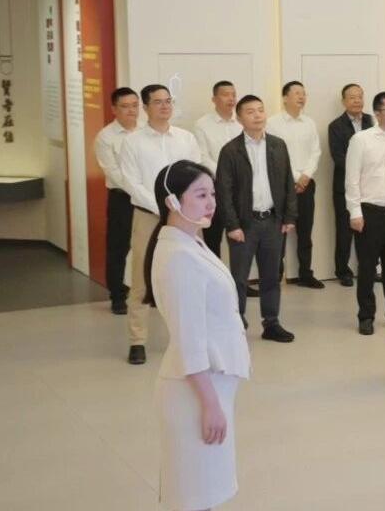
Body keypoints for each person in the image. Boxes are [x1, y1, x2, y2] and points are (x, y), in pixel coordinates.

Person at [144, 159, 250, 511]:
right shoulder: (178, 256)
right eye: (201, 195)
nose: (211, 203)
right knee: (194, 495)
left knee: (204, 491)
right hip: (195, 394)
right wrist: (210, 405)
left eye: (213, 194)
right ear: (172, 201)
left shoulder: (191, 244)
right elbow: (188, 340)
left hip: (210, 387)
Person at [119, 84, 202, 365]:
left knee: (186, 277)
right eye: (158, 102)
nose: (165, 106)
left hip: (185, 219)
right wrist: (163, 208)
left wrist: (183, 210)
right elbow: (131, 182)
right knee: (141, 280)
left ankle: (185, 337)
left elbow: (196, 177)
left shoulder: (186, 139)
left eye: (168, 101)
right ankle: (137, 340)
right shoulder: (133, 142)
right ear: (145, 108)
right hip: (149, 216)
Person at [216, 95, 298, 343]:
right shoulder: (231, 150)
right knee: (239, 278)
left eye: (261, 110)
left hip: (273, 221)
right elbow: (224, 191)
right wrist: (232, 225)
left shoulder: (278, 145)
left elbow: (288, 183)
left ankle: (271, 323)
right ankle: (237, 323)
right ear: (239, 118)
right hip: (244, 225)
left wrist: (289, 216)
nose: (257, 115)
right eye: (250, 111)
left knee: (271, 276)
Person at [345, 91, 385, 335]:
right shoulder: (361, 140)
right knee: (367, 268)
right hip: (369, 212)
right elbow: (351, 179)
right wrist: (355, 212)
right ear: (378, 113)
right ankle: (366, 316)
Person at [268, 81, 323, 289]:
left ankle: (306, 274)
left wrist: (306, 175)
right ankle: (275, 275)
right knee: (280, 231)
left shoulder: (309, 122)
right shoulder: (272, 123)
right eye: (297, 93)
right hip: (282, 185)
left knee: (305, 231)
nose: (302, 97)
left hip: (306, 184)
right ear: (285, 97)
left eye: (304, 93)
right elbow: (275, 155)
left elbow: (316, 151)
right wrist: (295, 177)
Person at [94, 86, 139, 315]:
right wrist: (138, 188)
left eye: (135, 105)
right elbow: (113, 173)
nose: (131, 111)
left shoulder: (146, 131)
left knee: (149, 245)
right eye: (125, 106)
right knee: (118, 247)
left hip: (147, 198)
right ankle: (117, 296)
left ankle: (148, 292)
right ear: (114, 109)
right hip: (122, 197)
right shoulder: (106, 137)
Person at [327, 84, 372, 288]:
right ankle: (343, 271)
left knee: (370, 231)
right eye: (352, 97)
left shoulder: (372, 121)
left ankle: (368, 269)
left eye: (360, 96)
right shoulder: (335, 126)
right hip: (344, 186)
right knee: (344, 231)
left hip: (370, 186)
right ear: (344, 101)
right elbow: (338, 157)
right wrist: (360, 170)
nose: (357, 101)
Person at [194, 81, 243, 256]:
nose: (231, 98)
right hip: (214, 189)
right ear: (214, 99)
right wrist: (226, 175)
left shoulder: (242, 122)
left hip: (241, 187)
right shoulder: (202, 124)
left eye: (233, 94)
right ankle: (213, 273)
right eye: (225, 94)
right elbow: (202, 156)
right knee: (213, 239)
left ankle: (239, 274)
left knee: (240, 237)